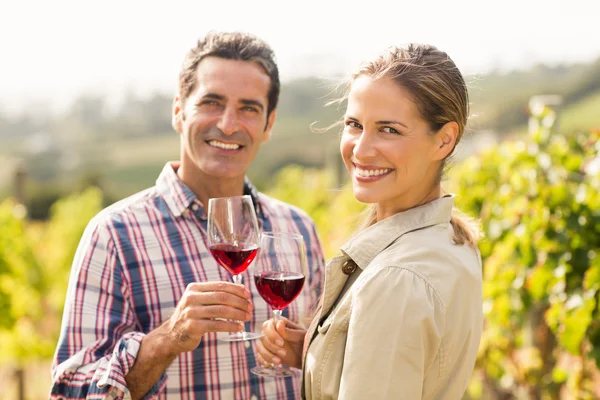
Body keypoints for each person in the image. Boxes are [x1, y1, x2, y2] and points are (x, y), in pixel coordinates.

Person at [50, 31, 325, 400]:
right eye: (212, 102)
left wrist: (307, 352)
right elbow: (70, 392)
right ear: (179, 111)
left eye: (249, 108)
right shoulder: (114, 234)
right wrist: (168, 339)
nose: (229, 124)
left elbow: (329, 368)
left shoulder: (297, 228)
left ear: (269, 124)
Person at [256, 43, 483, 399]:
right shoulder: (448, 241)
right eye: (354, 124)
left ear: (444, 140)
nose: (361, 149)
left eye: (389, 130)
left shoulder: (397, 280)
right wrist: (317, 352)